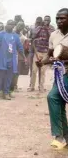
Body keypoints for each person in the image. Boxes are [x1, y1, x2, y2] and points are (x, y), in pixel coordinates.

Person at [40, 8, 68, 149]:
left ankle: (60, 136)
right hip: (60, 74)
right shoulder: (53, 35)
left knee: (53, 97)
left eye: (62, 18)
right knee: (57, 100)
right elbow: (50, 54)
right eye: (57, 18)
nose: (59, 21)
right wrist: (42, 61)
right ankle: (63, 137)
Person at [0, 20, 26, 100]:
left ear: (14, 26)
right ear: (6, 24)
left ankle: (6, 93)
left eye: (12, 24)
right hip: (2, 58)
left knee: (9, 77)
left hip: (11, 59)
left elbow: (20, 48)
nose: (10, 26)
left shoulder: (15, 36)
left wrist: (24, 57)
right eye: (9, 24)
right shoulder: (0, 34)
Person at [29, 15, 54, 92]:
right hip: (38, 51)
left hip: (46, 52)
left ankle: (41, 87)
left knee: (43, 71)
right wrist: (41, 27)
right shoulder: (39, 27)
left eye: (47, 20)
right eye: (45, 20)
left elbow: (52, 37)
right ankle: (32, 86)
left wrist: (46, 28)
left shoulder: (52, 29)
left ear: (50, 21)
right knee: (34, 70)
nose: (46, 21)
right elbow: (33, 35)